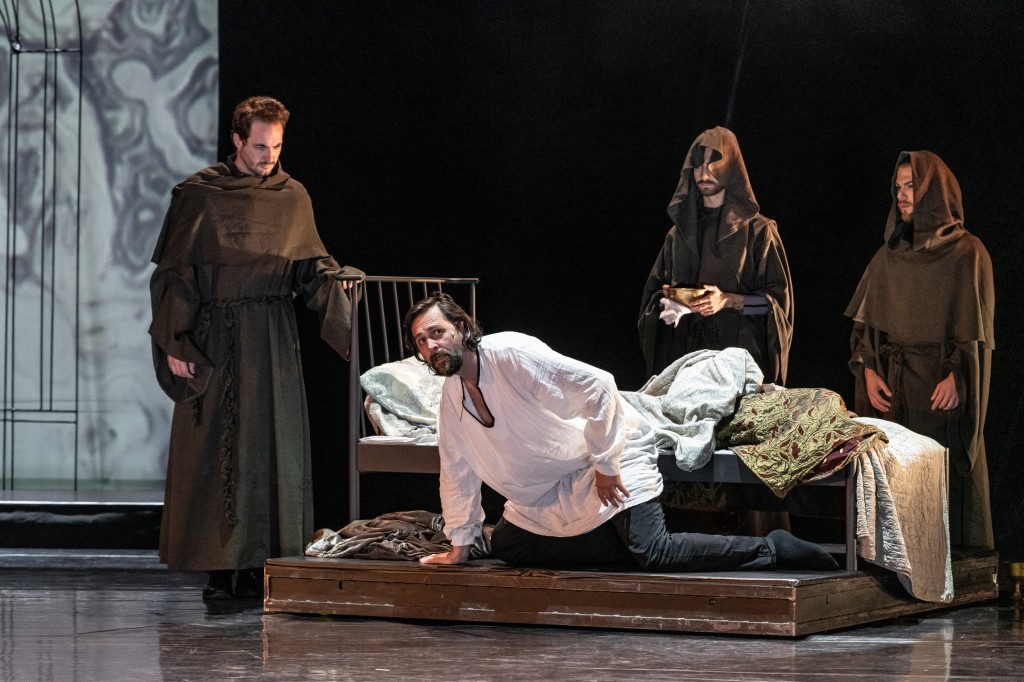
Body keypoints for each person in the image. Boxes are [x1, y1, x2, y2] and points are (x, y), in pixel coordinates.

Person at [402, 292, 838, 572]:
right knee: (509, 544)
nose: (431, 346)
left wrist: (607, 465)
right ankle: (622, 544)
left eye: (437, 333)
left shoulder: (511, 354)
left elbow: (598, 386)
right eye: (421, 341)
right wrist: (460, 544)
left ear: (462, 328)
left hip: (609, 452)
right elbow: (457, 470)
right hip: (552, 489)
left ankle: (773, 549)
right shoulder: (452, 400)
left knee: (655, 552)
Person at [149, 96, 362, 599]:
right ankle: (219, 569)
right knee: (216, 448)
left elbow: (311, 269)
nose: (269, 157)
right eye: (260, 146)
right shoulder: (200, 196)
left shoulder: (292, 197)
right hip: (215, 336)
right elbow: (176, 273)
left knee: (272, 446)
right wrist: (175, 338)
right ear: (237, 140)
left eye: (277, 147)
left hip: (272, 337)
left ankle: (263, 565)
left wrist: (342, 285)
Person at [845, 150, 994, 550]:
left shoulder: (968, 253)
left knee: (941, 493)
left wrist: (959, 376)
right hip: (895, 394)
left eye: (911, 186)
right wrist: (868, 370)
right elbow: (864, 329)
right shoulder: (889, 255)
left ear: (934, 191)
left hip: (938, 397)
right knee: (896, 491)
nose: (902, 196)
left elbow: (976, 333)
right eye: (898, 187)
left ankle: (954, 565)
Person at [638, 126, 793, 385]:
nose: (704, 172)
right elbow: (652, 302)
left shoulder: (760, 232)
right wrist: (671, 299)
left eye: (714, 163)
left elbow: (774, 308)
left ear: (731, 166)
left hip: (739, 371)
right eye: (698, 164)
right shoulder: (677, 236)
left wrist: (728, 301)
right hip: (686, 369)